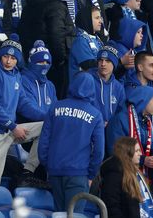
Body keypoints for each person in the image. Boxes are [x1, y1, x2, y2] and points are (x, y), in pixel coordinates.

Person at [0, 35, 46, 186]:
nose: (8, 61)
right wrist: (12, 126)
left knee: (47, 126)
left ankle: (28, 170)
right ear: (0, 56)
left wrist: (48, 116)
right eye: (6, 56)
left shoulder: (16, 75)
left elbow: (23, 103)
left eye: (13, 58)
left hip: (8, 131)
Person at [39, 72, 105, 213]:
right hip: (79, 174)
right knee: (74, 215)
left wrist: (48, 165)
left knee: (58, 214)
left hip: (55, 171)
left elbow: (43, 142)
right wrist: (91, 175)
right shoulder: (96, 114)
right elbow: (99, 151)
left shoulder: (55, 108)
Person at [18, 0, 75, 95]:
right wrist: (61, 59)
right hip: (51, 63)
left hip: (31, 58)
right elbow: (57, 35)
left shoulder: (30, 3)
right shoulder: (56, 6)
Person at [106, 85, 153, 176]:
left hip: (141, 172)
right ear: (144, 101)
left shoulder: (147, 121)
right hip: (121, 172)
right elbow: (116, 151)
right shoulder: (120, 120)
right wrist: (142, 160)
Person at [100, 136, 153, 218]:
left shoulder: (135, 172)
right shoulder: (114, 175)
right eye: (137, 151)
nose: (140, 154)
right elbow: (112, 207)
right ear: (127, 154)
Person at [90, 45, 126, 125]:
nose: (103, 64)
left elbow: (121, 112)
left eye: (108, 61)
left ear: (114, 64)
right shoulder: (88, 81)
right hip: (90, 127)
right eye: (100, 60)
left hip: (110, 130)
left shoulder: (118, 87)